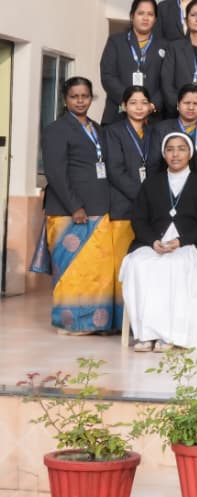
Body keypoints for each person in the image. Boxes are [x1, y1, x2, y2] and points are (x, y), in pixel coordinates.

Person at [32, 77, 118, 333]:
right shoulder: (56, 129)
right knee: (72, 271)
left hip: (99, 209)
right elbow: (56, 173)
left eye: (85, 96)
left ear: (91, 98)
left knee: (96, 271)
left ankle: (94, 322)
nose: (80, 101)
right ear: (65, 99)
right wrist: (75, 207)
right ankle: (70, 323)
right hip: (69, 212)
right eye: (74, 96)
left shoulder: (97, 128)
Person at [119, 132, 197, 351]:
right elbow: (139, 219)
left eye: (181, 149)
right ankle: (146, 334)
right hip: (153, 243)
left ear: (190, 153)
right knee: (139, 264)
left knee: (177, 265)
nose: (175, 154)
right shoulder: (151, 183)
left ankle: (172, 335)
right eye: (170, 149)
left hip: (190, 244)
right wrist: (152, 241)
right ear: (164, 154)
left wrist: (181, 241)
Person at [104, 87, 156, 279]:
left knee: (145, 265)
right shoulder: (113, 131)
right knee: (123, 263)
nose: (139, 107)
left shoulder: (153, 132)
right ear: (123, 106)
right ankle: (121, 301)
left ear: (150, 106)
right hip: (123, 206)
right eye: (133, 103)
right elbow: (115, 171)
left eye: (144, 103)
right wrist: (143, 197)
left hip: (150, 209)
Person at [99, 0, 167, 125]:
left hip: (151, 118)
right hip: (118, 114)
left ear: (155, 19)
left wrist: (152, 105)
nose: (145, 18)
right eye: (141, 13)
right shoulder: (116, 41)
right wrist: (129, 101)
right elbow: (108, 76)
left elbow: (167, 81)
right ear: (132, 16)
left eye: (150, 14)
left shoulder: (165, 46)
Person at [151, 84, 197, 171]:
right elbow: (153, 166)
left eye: (196, 104)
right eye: (186, 103)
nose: (191, 107)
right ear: (178, 105)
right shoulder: (161, 129)